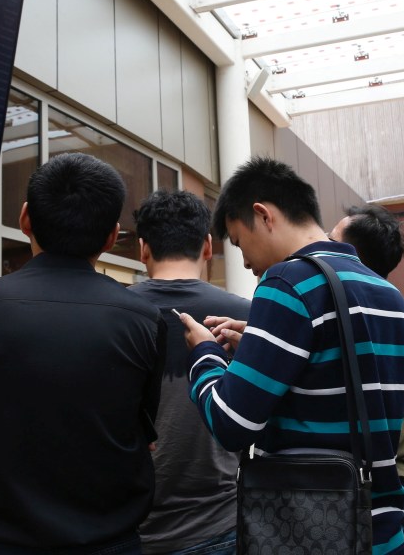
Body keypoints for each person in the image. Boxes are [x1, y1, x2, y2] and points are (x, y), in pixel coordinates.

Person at [177, 157, 404, 555]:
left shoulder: (287, 282)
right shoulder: (389, 295)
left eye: (239, 242)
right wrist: (255, 349)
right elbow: (340, 381)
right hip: (383, 531)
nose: (245, 262)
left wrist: (204, 352)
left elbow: (231, 424)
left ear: (263, 215)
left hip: (313, 530)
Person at [0, 152, 167, 555]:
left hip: (4, 542)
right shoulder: (144, 319)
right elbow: (143, 422)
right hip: (113, 542)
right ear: (113, 236)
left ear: (25, 219)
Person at [129, 190, 250, 555]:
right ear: (208, 246)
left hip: (128, 526)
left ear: (143, 249)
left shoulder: (113, 315)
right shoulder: (245, 317)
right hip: (218, 524)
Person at [329, 204, 404, 549]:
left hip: (382, 482)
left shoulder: (372, 325)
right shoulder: (392, 317)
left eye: (332, 242)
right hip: (397, 475)